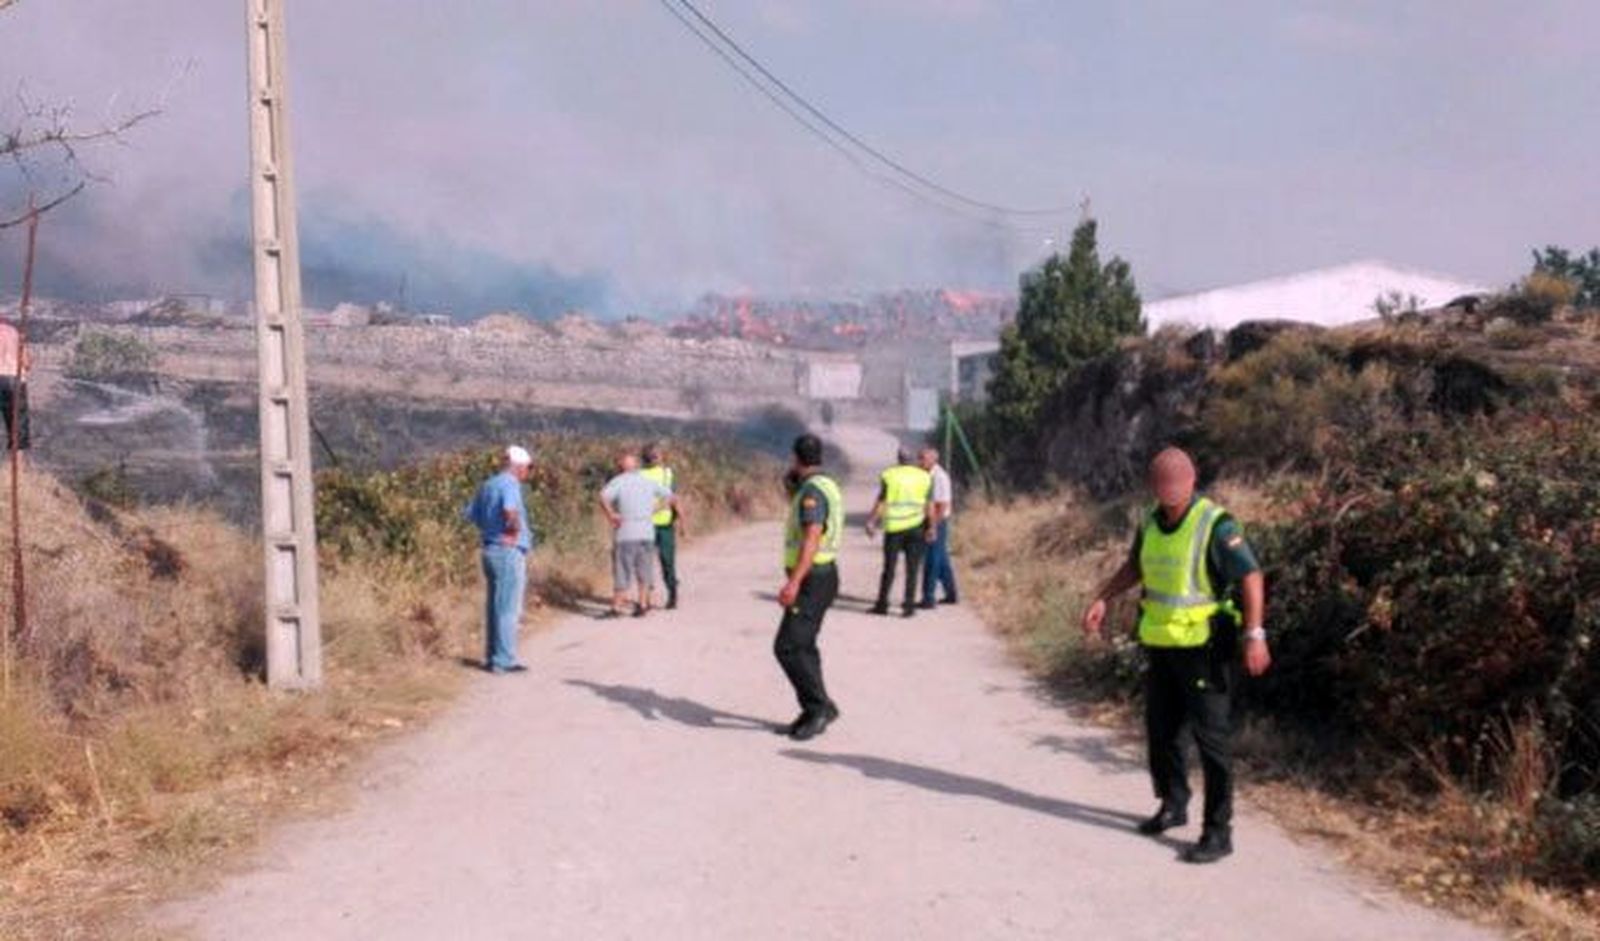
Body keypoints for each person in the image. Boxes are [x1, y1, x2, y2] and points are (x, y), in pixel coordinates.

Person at [1081, 447, 1272, 864]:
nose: (1168, 489)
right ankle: (1173, 804)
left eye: (1176, 481)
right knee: (1161, 732)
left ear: (1192, 480)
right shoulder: (1150, 522)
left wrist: (1255, 634)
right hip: (1162, 645)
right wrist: (1103, 598)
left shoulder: (1215, 525)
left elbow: (1251, 575)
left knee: (1211, 741)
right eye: (1161, 482)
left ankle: (1218, 832)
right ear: (1153, 485)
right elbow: (1136, 567)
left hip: (1204, 648)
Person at [774, 433, 844, 740]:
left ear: (796, 458)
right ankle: (817, 705)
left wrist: (794, 581)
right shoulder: (824, 484)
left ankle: (819, 708)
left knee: (787, 647)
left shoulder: (813, 491)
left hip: (813, 578)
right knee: (804, 645)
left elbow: (812, 537)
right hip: (821, 576)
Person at [463, 445, 535, 674]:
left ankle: (492, 655)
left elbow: (470, 514)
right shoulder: (510, 484)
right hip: (507, 552)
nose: (528, 472)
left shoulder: (488, 484)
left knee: (494, 605)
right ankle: (504, 660)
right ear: (519, 466)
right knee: (508, 608)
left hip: (489, 550)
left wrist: (490, 531)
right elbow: (510, 511)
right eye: (529, 468)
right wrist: (513, 531)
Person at [600, 452, 680, 618]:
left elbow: (603, 497)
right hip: (647, 531)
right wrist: (655, 510)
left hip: (626, 532)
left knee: (622, 570)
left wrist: (611, 515)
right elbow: (671, 497)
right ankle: (643, 604)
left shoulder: (618, 481)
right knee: (644, 569)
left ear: (621, 467)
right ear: (637, 466)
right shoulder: (648, 482)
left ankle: (617, 606)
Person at [865, 448, 932, 618]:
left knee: (889, 568)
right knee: (912, 569)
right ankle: (908, 607)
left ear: (898, 458)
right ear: (914, 459)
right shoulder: (924, 477)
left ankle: (882, 604)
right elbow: (928, 505)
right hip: (916, 526)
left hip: (894, 528)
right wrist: (931, 527)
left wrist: (872, 522)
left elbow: (882, 501)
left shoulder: (889, 475)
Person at [639, 443, 685, 610]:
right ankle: (646, 600)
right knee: (645, 563)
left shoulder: (668, 473)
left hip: (665, 525)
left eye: (656, 455)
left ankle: (672, 592)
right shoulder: (639, 474)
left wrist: (681, 521)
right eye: (651, 455)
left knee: (667, 562)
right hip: (645, 525)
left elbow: (674, 498)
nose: (654, 458)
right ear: (646, 457)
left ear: (662, 457)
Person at [918, 447, 959, 608]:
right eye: (919, 458)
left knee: (931, 559)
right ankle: (951, 594)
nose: (920, 461)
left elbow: (942, 505)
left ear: (933, 459)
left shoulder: (939, 477)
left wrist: (933, 527)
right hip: (930, 518)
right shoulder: (925, 475)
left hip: (937, 520)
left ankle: (928, 597)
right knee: (941, 559)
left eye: (923, 458)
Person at [0, 321, 32, 454]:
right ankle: (16, 466)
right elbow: (26, 363)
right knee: (18, 426)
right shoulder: (14, 332)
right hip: (15, 379)